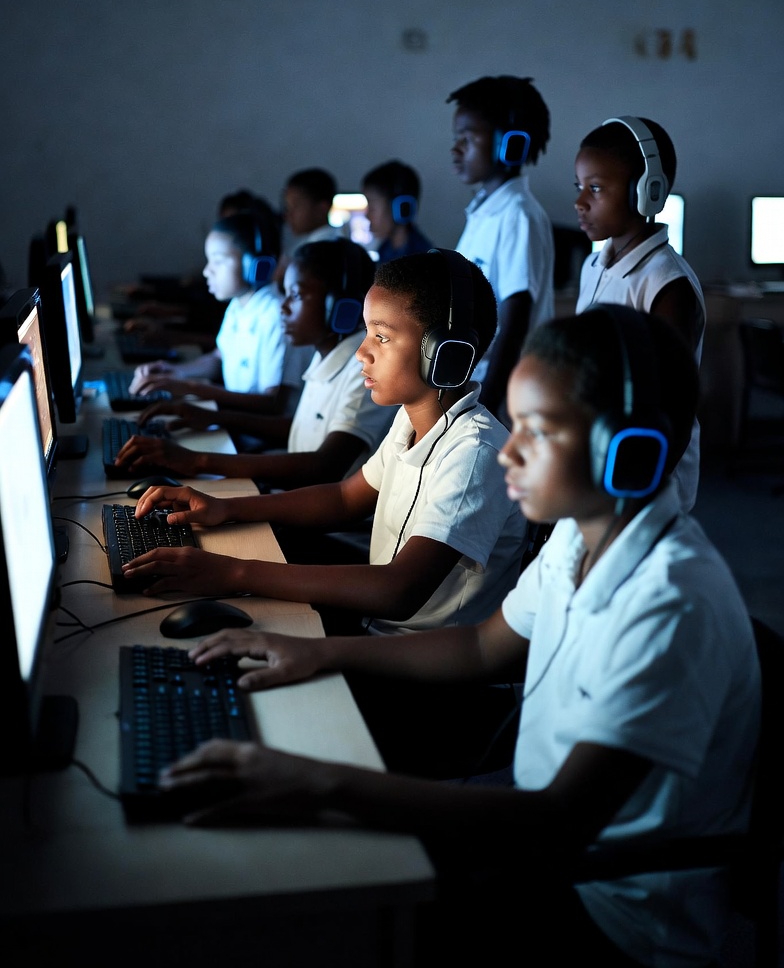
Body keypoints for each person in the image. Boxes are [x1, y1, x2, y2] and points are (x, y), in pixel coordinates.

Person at [152, 306, 760, 968]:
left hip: (612, 912)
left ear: (627, 451)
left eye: (538, 431)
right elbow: (482, 647)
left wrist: (319, 782)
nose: (509, 450)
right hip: (534, 838)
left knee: (303, 900)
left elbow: (558, 819)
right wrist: (316, 650)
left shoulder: (672, 605)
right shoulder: (578, 537)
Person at [122, 250, 525, 638]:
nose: (361, 353)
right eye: (367, 332)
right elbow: (344, 499)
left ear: (446, 355)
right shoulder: (412, 418)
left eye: (381, 338)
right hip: (374, 627)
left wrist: (232, 572)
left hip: (420, 666)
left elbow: (398, 590)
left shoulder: (475, 454)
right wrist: (225, 508)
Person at [115, 240, 394, 489]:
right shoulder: (327, 354)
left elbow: (324, 466)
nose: (283, 307)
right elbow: (300, 428)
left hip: (331, 529)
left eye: (295, 295)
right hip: (298, 499)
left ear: (340, 307)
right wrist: (214, 417)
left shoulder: (362, 369)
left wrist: (197, 461)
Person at [574, 115, 705, 510]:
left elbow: (675, 404)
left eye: (595, 188)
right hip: (595, 458)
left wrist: (638, 481)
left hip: (642, 478)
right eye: (579, 187)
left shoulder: (668, 285)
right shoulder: (595, 265)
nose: (580, 201)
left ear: (646, 192)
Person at [449, 74, 555, 420]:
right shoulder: (485, 211)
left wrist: (485, 410)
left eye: (468, 137)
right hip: (476, 386)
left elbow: (513, 326)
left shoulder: (518, 216)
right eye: (456, 138)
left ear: (510, 143)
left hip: (501, 399)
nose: (456, 149)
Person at [129, 206, 298, 415]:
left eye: (218, 261)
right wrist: (176, 372)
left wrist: (193, 388)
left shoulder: (275, 316)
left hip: (257, 439)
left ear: (254, 266)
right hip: (234, 423)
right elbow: (220, 358)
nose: (207, 271)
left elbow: (272, 403)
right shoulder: (239, 305)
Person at [361, 159, 433, 262]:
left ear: (400, 208)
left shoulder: (423, 260)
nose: (366, 215)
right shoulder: (384, 250)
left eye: (372, 208)